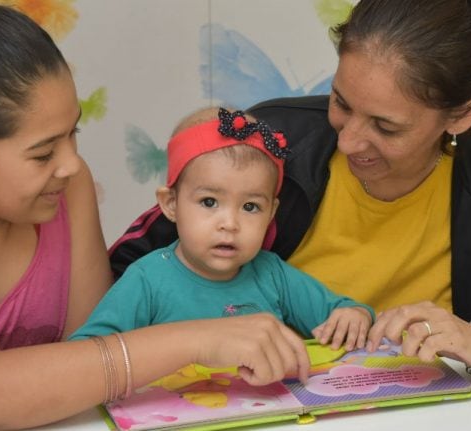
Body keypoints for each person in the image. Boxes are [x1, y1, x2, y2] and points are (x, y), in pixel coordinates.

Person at [0, 1, 311, 429]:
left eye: (73, 133)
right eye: (43, 152)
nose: (70, 164)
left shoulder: (68, 188)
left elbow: (90, 353)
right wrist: (198, 340)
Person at [109, 0, 471, 389]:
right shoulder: (269, 142)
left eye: (386, 127)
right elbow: (122, 271)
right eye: (340, 103)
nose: (347, 141)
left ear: (461, 114)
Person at [71, 107, 375, 351]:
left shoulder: (273, 274)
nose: (230, 224)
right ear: (171, 204)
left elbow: (340, 313)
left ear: (272, 213)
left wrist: (354, 315)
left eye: (250, 207)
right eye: (209, 202)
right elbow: (88, 354)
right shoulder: (146, 280)